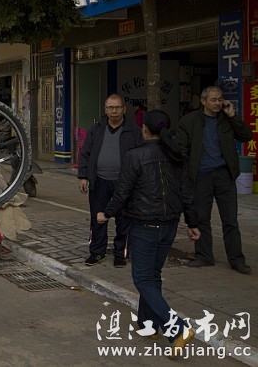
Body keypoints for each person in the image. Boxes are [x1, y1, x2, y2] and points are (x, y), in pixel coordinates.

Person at [97, 109, 199, 358]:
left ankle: (177, 328)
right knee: (153, 276)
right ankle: (148, 324)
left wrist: (106, 214)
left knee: (142, 279)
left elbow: (122, 192)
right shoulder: (175, 155)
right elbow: (187, 193)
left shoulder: (135, 156)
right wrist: (193, 223)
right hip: (169, 225)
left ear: (144, 130)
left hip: (145, 226)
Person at [176, 86, 253, 275]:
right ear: (203, 101)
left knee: (230, 219)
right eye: (213, 100)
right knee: (202, 217)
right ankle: (204, 255)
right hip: (201, 175)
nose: (218, 103)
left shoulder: (226, 119)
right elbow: (180, 149)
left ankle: (237, 260)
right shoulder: (189, 121)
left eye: (220, 99)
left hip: (224, 175)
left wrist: (233, 115)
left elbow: (246, 136)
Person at [78, 94, 142, 267]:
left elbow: (140, 156)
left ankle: (120, 254)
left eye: (117, 107)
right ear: (105, 110)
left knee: (124, 220)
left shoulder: (133, 131)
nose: (114, 111)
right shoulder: (96, 129)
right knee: (97, 219)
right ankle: (97, 252)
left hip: (124, 184)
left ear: (124, 109)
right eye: (110, 108)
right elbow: (85, 152)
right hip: (99, 181)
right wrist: (83, 176)